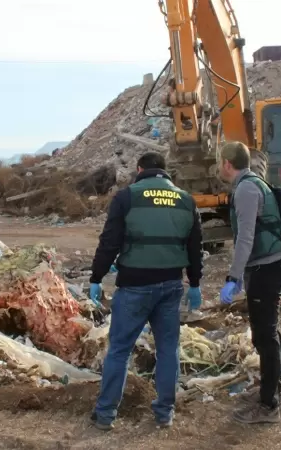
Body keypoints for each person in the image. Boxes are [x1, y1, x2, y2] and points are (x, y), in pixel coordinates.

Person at [88, 151, 204, 431]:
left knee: (119, 351)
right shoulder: (186, 200)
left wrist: (96, 276)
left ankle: (105, 415)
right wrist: (196, 283)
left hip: (134, 286)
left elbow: (109, 242)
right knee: (168, 350)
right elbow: (194, 247)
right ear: (165, 172)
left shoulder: (126, 197)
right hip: (171, 286)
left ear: (140, 170)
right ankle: (164, 413)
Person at [217, 141, 281, 424]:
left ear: (227, 163)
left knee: (264, 336)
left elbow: (245, 237)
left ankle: (269, 406)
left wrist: (234, 277)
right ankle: (272, 388)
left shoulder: (247, 189)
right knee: (269, 332)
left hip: (267, 268)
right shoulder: (254, 182)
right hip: (269, 264)